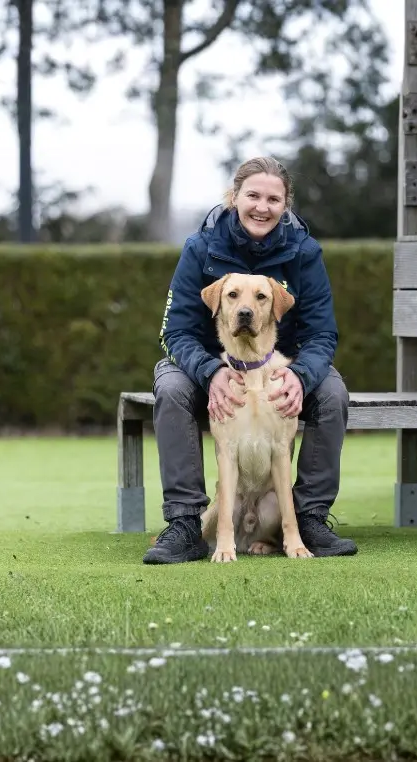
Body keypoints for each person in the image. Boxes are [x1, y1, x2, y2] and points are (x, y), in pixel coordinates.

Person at [143, 156, 358, 565]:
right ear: (234, 197)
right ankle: (186, 523)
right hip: (205, 362)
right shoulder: (200, 248)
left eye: (273, 199)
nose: (262, 206)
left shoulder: (304, 253)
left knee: (332, 392)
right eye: (253, 195)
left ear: (286, 205)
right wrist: (212, 372)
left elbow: (321, 333)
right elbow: (175, 333)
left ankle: (310, 516)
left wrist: (300, 374)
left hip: (279, 364)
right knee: (170, 388)